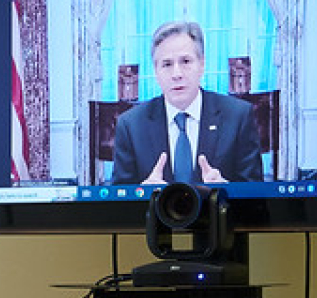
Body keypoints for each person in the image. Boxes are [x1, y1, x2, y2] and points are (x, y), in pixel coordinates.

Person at [109, 20, 263, 186]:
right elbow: (120, 202)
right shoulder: (131, 125)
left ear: (202, 64)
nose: (177, 74)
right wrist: (142, 195)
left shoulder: (238, 116)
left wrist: (227, 191)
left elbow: (256, 199)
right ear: (156, 71)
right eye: (167, 64)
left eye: (186, 61)